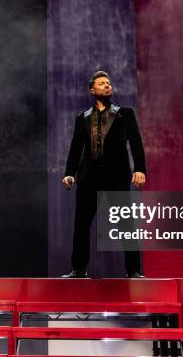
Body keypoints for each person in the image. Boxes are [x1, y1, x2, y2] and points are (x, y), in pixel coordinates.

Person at [61, 70, 147, 278]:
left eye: (108, 83)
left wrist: (140, 169)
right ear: (92, 90)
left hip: (116, 176)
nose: (107, 85)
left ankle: (134, 270)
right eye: (101, 83)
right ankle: (79, 269)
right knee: (81, 223)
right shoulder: (82, 118)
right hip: (89, 177)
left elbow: (136, 143)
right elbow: (76, 148)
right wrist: (69, 173)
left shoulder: (124, 113)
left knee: (126, 223)